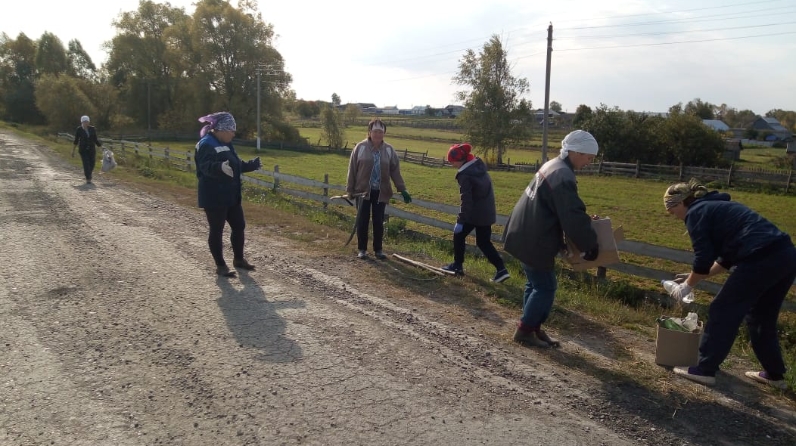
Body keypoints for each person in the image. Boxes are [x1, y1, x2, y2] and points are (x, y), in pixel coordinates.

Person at [664, 179, 796, 389]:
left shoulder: (696, 213)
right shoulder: (717, 207)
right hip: (785, 255)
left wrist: (687, 287)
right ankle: (774, 375)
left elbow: (703, 258)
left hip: (760, 258)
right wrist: (693, 277)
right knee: (762, 316)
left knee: (723, 309)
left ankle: (704, 370)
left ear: (679, 204)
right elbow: (725, 261)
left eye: (672, 212)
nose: (674, 217)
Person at [502, 130, 600, 348]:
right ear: (575, 152)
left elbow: (560, 209)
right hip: (535, 237)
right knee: (545, 287)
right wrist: (589, 244)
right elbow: (571, 214)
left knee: (535, 283)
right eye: (588, 157)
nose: (589, 162)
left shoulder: (553, 166)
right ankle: (525, 331)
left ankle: (532, 326)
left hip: (524, 231)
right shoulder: (563, 175)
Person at [194, 111, 262, 277]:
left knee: (239, 226)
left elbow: (235, 164)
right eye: (231, 130)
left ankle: (238, 259)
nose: (234, 133)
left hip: (231, 195)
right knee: (216, 230)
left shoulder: (225, 142)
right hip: (214, 197)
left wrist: (249, 166)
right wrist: (218, 168)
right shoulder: (206, 144)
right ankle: (221, 265)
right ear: (222, 129)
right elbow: (204, 166)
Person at [441, 143, 510, 283]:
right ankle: (501, 269)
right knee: (484, 242)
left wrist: (460, 221)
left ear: (460, 160)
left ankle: (457, 266)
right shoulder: (479, 168)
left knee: (459, 234)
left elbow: (466, 200)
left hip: (475, 213)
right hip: (487, 212)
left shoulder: (465, 175)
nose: (452, 164)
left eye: (452, 162)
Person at [346, 118, 411, 260]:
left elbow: (395, 171)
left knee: (378, 221)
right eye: (375, 131)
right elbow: (352, 169)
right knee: (362, 221)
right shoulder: (360, 147)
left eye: (380, 132)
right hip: (362, 192)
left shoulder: (389, 150)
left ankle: (378, 250)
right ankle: (362, 249)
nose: (377, 134)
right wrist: (350, 189)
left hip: (381, 192)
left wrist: (402, 189)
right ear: (369, 132)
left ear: (384, 133)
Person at [72, 115, 102, 184]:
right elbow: (76, 141)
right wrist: (73, 151)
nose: (86, 123)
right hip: (83, 149)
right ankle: (88, 178)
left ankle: (89, 174)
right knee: (86, 164)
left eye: (87, 122)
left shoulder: (92, 129)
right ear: (82, 122)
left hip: (91, 149)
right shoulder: (79, 129)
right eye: (84, 122)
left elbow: (95, 139)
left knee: (92, 163)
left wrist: (100, 147)